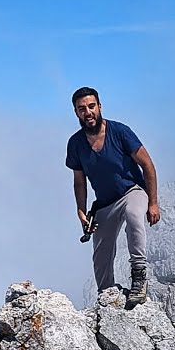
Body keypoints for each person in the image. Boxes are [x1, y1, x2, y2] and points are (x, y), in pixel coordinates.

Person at [65, 86, 160, 306]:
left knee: (134, 215)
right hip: (105, 204)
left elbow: (147, 165)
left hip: (131, 191)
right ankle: (107, 296)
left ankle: (139, 276)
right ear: (76, 113)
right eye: (82, 109)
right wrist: (81, 211)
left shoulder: (120, 132)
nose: (88, 112)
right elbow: (79, 181)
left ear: (100, 107)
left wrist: (153, 203)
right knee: (101, 254)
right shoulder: (76, 144)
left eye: (91, 106)